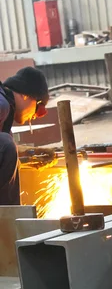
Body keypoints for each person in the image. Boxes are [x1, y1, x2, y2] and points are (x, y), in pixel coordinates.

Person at [0, 66, 49, 205]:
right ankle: (9, 217)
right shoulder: (2, 105)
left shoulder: (5, 114)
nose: (34, 116)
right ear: (26, 94)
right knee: (6, 144)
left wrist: (29, 153)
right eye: (39, 106)